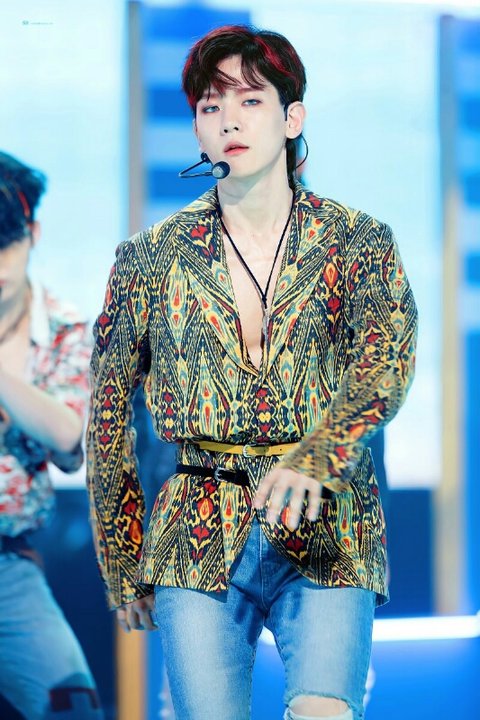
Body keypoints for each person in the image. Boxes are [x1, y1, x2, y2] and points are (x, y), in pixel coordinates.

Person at [87, 25, 418, 720]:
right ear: (197, 130)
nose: (229, 120)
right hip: (197, 522)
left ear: (292, 117)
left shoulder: (358, 241)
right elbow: (108, 415)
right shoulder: (150, 257)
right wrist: (123, 559)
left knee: (324, 712)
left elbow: (384, 363)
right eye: (211, 107)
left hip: (328, 519)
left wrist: (318, 455)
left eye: (250, 100)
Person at [0, 152, 103, 720]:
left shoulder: (66, 329)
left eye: (8, 243)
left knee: (73, 706)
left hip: (7, 568)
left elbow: (68, 437)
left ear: (32, 234)